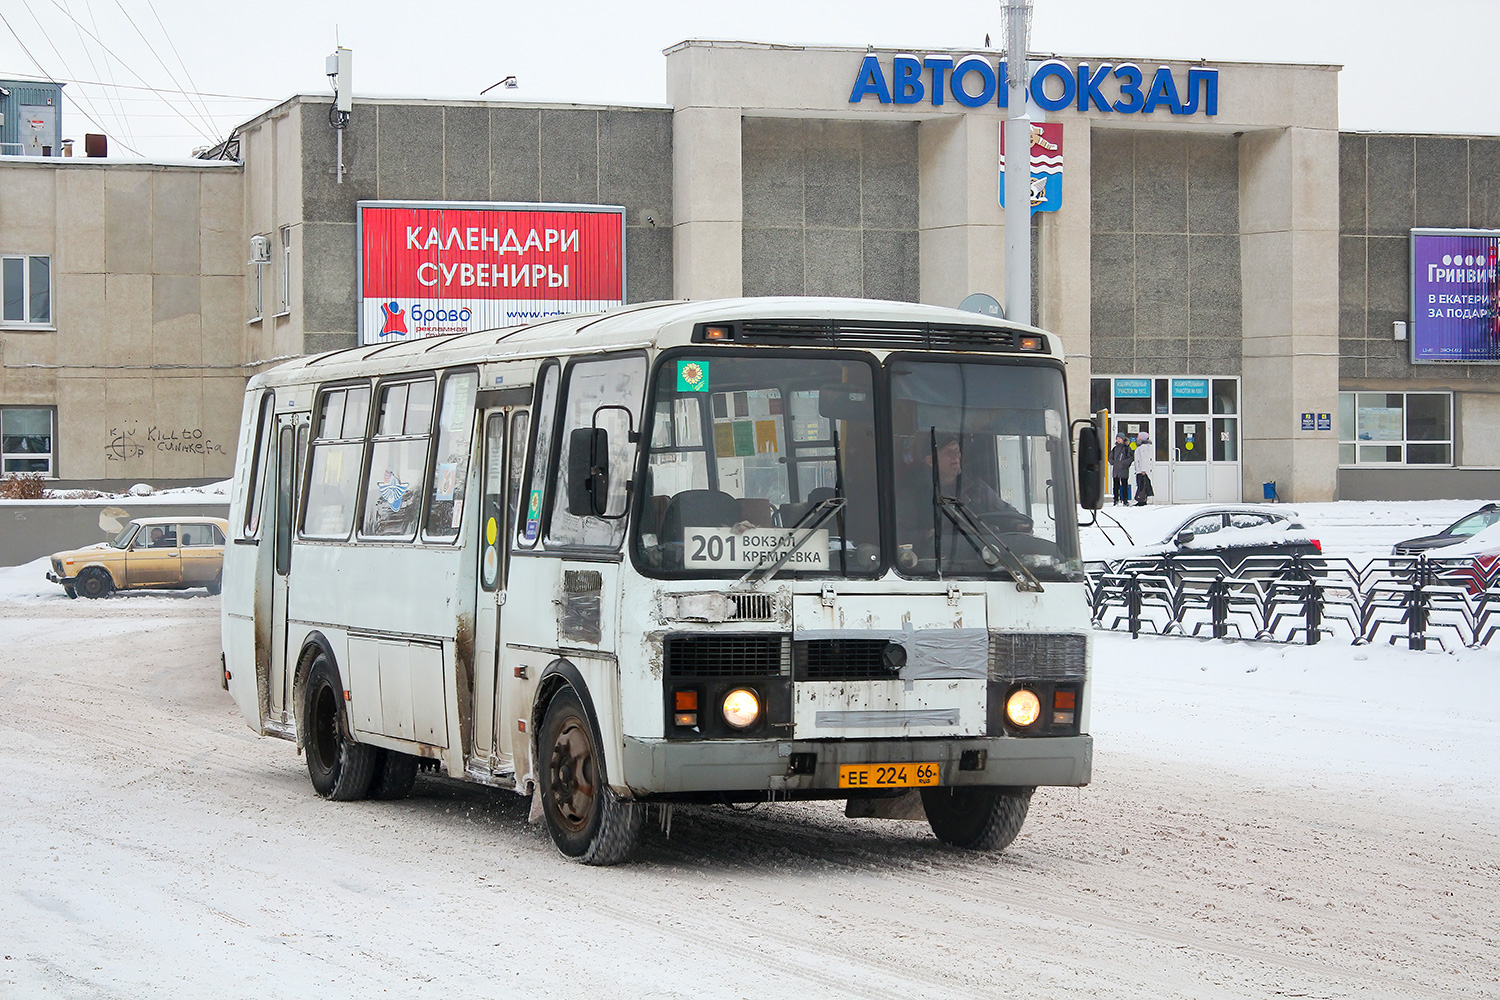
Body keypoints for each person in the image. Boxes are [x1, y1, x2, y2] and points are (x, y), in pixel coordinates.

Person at [896, 431, 1030, 567]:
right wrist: (926, 536)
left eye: (957, 451)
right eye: (949, 453)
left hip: (981, 562)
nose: (956, 457)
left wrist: (1018, 525)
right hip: (933, 567)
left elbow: (1006, 512)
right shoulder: (913, 495)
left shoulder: (975, 488)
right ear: (931, 460)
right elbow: (898, 535)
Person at [1109, 433, 1134, 506]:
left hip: (1123, 469)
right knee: (1115, 485)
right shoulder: (1114, 449)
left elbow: (1130, 458)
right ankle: (1116, 499)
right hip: (1116, 469)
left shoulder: (1126, 448)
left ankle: (1125, 500)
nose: (1118, 440)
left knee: (1124, 484)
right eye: (1117, 438)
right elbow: (1110, 457)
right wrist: (1113, 462)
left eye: (1120, 438)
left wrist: (1123, 463)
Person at [1133, 432, 1155, 506]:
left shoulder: (1143, 447)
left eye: (1138, 436)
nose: (1137, 438)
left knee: (1142, 484)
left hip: (1141, 470)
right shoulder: (1142, 446)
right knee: (1141, 484)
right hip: (1139, 469)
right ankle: (1141, 499)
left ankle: (1142, 500)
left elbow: (1144, 459)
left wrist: (1143, 469)